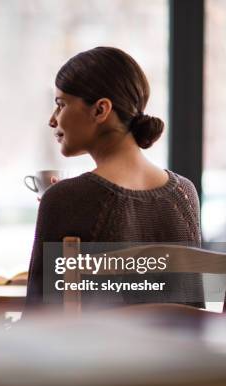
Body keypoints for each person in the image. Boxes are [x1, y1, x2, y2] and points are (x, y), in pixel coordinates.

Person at [26, 47, 204, 309]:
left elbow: (38, 321)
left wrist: (60, 208)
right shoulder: (185, 194)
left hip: (100, 351)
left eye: (61, 105)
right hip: (176, 351)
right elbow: (193, 314)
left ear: (100, 110)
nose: (53, 121)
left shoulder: (65, 199)